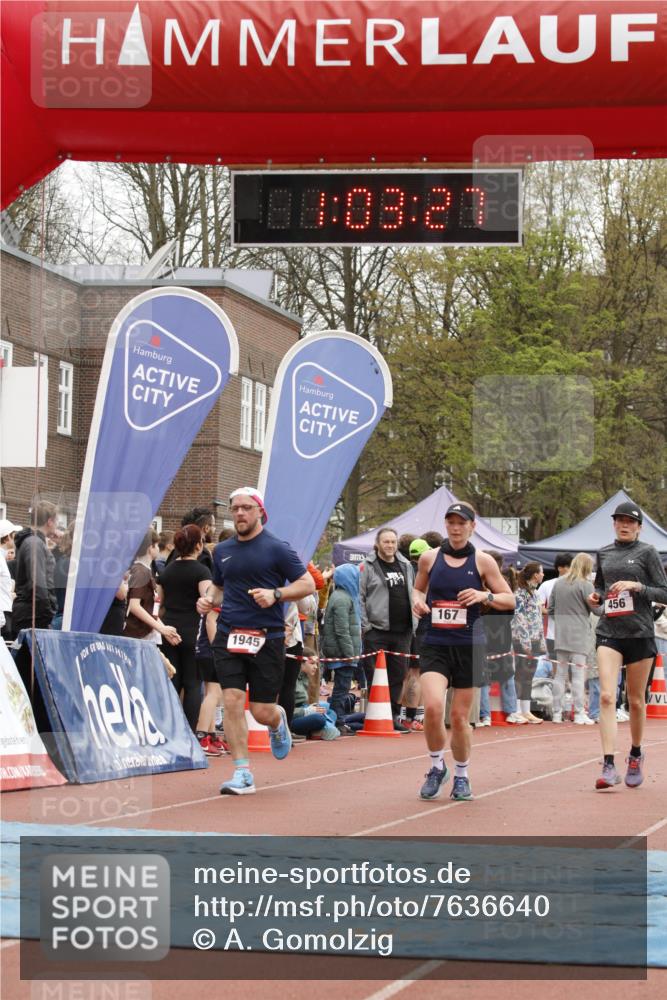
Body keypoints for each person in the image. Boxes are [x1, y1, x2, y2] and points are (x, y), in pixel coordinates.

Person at [197, 487, 315, 796]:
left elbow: (307, 584)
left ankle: (277, 721)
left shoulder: (277, 548)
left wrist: (276, 594)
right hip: (229, 634)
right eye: (235, 508)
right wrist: (208, 599)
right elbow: (219, 588)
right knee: (233, 700)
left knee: (261, 710)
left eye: (246, 507)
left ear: (260, 512)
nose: (239, 513)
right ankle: (242, 772)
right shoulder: (222, 550)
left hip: (267, 637)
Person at [412, 502, 515, 801]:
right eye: (451, 522)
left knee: (459, 718)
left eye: (462, 523)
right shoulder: (430, 558)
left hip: (469, 645)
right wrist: (417, 601)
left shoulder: (483, 561)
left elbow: (510, 600)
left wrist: (485, 595)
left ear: (472, 526)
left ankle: (461, 775)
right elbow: (418, 589)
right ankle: (436, 767)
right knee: (433, 707)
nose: (456, 528)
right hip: (434, 642)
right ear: (446, 525)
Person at [588, 501, 667, 790]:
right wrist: (596, 597)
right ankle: (608, 764)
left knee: (635, 700)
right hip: (609, 631)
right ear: (614, 524)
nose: (624, 525)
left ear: (639, 527)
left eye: (630, 521)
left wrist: (637, 587)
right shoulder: (604, 553)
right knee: (607, 696)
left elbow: (664, 592)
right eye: (620, 520)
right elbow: (600, 587)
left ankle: (635, 753)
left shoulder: (647, 552)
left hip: (639, 633)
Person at [157, 524, 212, 731]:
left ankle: (170, 730)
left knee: (172, 682)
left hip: (169, 629)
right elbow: (208, 601)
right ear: (198, 545)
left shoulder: (167, 571)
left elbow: (160, 603)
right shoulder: (202, 571)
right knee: (192, 684)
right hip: (192, 631)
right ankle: (189, 732)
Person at [360, 527, 415, 733]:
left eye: (393, 541)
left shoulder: (406, 565)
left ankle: (392, 716)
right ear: (377, 544)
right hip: (377, 630)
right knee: (375, 675)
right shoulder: (367, 566)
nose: (390, 545)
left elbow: (413, 592)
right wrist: (366, 626)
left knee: (398, 675)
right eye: (386, 542)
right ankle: (376, 715)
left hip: (403, 631)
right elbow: (360, 597)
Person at [548, 553, 597, 725]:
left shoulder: (558, 582)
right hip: (579, 634)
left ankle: (556, 713)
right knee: (578, 675)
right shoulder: (586, 585)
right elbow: (597, 610)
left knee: (560, 675)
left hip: (561, 634)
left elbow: (551, 609)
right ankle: (579, 713)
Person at [321, 564, 362, 735]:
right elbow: (342, 629)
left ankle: (338, 719)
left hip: (341, 651)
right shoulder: (342, 599)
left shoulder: (342, 596)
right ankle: (337, 721)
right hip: (342, 653)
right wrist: (349, 653)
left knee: (342, 687)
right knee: (341, 688)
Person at [123, 528, 182, 647]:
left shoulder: (144, 570)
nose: (159, 549)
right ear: (150, 548)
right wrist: (161, 628)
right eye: (157, 545)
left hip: (143, 634)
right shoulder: (140, 571)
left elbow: (150, 609)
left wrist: (164, 629)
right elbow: (134, 606)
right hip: (137, 635)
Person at [12, 501, 59, 635]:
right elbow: (37, 582)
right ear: (50, 521)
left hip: (32, 613)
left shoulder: (33, 542)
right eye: (57, 521)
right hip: (33, 615)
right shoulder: (34, 543)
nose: (57, 525)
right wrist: (48, 612)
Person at [511, 562, 546, 723]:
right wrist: (526, 644)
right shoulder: (520, 593)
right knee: (520, 674)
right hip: (522, 640)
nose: (543, 575)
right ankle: (517, 709)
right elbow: (519, 618)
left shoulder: (536, 593)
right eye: (541, 572)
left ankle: (526, 710)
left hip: (535, 639)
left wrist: (541, 641)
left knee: (529, 675)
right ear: (535, 575)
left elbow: (538, 619)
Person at [536, 553, 573, 666]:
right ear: (559, 568)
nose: (572, 569)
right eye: (569, 566)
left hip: (574, 634)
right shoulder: (547, 585)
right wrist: (555, 612)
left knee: (574, 668)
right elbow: (537, 607)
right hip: (553, 635)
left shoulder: (578, 584)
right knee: (556, 668)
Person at [0, 518, 21, 640]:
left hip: (5, 612)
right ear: (7, 537)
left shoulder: (2, 557)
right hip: (2, 614)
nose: (15, 538)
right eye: (13, 535)